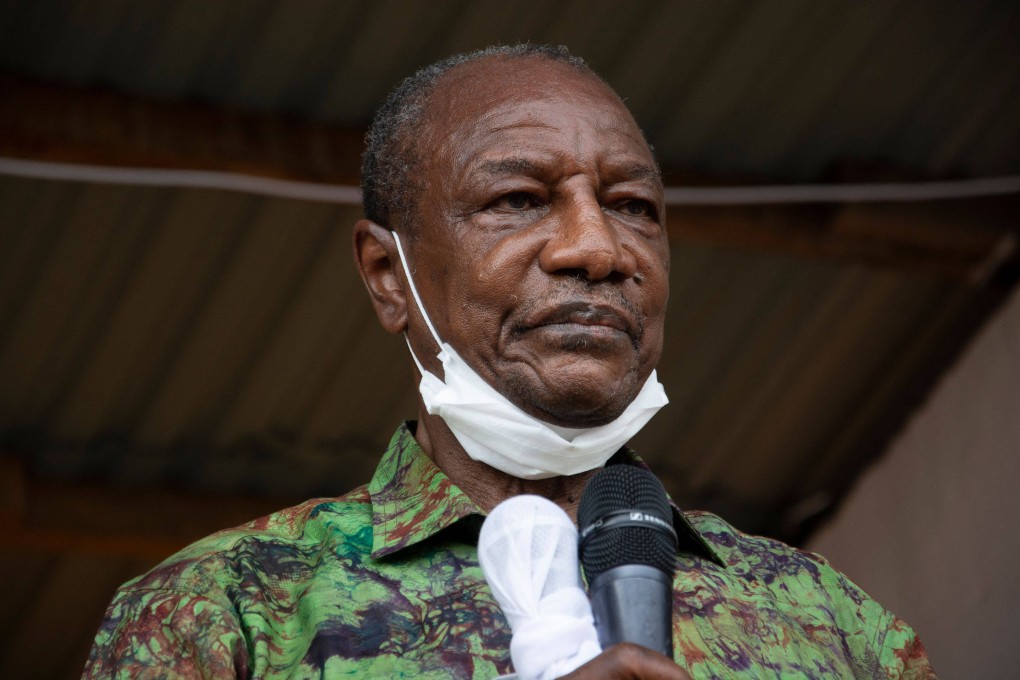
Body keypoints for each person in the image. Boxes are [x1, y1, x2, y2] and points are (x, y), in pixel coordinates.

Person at [85, 45, 935, 679]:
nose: (597, 249)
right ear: (389, 277)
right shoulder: (229, 607)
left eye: (632, 206)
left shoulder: (827, 619)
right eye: (518, 200)